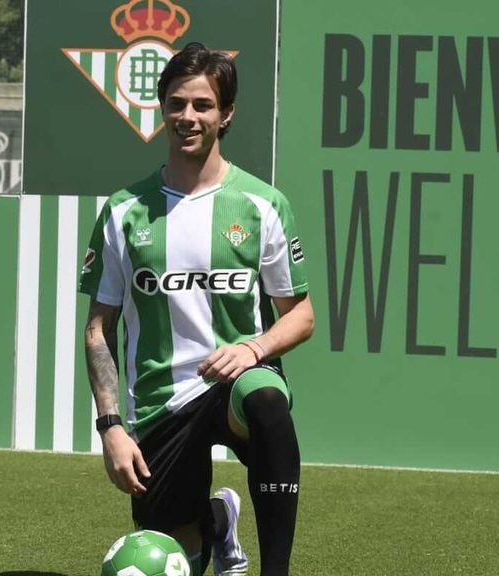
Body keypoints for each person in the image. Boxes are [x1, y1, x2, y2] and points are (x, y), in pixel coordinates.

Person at [80, 42, 314, 576]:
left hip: (235, 381)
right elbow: (98, 331)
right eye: (177, 104)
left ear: (225, 114)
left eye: (203, 105)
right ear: (163, 109)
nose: (188, 117)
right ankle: (216, 522)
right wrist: (111, 427)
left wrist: (254, 348)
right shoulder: (123, 212)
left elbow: (301, 315)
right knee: (180, 563)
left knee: (268, 402)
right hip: (161, 402)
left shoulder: (262, 205)